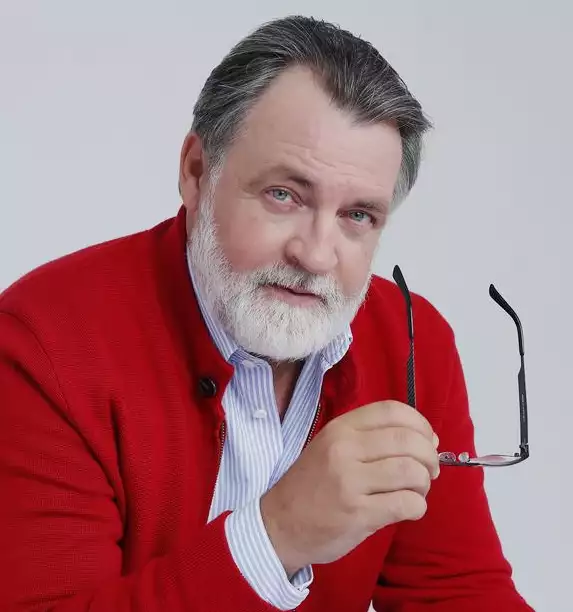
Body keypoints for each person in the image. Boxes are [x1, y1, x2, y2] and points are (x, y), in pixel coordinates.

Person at [0, 15, 532, 612]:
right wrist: (278, 534)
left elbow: (458, 593)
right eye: (284, 195)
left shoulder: (412, 343)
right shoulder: (44, 344)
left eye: (358, 216)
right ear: (196, 173)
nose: (316, 255)